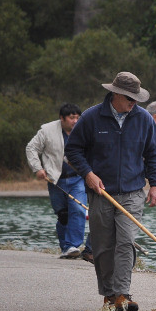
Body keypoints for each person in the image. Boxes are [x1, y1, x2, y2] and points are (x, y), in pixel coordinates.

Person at [65, 72, 156, 311]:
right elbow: (73, 150)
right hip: (101, 193)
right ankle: (109, 295)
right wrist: (88, 174)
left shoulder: (143, 119)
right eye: (130, 98)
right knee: (103, 246)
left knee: (126, 242)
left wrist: (155, 184)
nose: (134, 103)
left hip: (132, 193)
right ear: (116, 94)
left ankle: (123, 293)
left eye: (136, 98)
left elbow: (155, 153)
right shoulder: (91, 117)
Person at [26, 103, 94, 262]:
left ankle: (73, 245)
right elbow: (31, 148)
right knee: (63, 215)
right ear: (62, 118)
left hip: (78, 178)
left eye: (78, 117)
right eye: (72, 117)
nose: (75, 121)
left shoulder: (84, 130)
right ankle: (66, 248)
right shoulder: (47, 131)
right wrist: (37, 168)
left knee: (77, 209)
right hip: (55, 179)